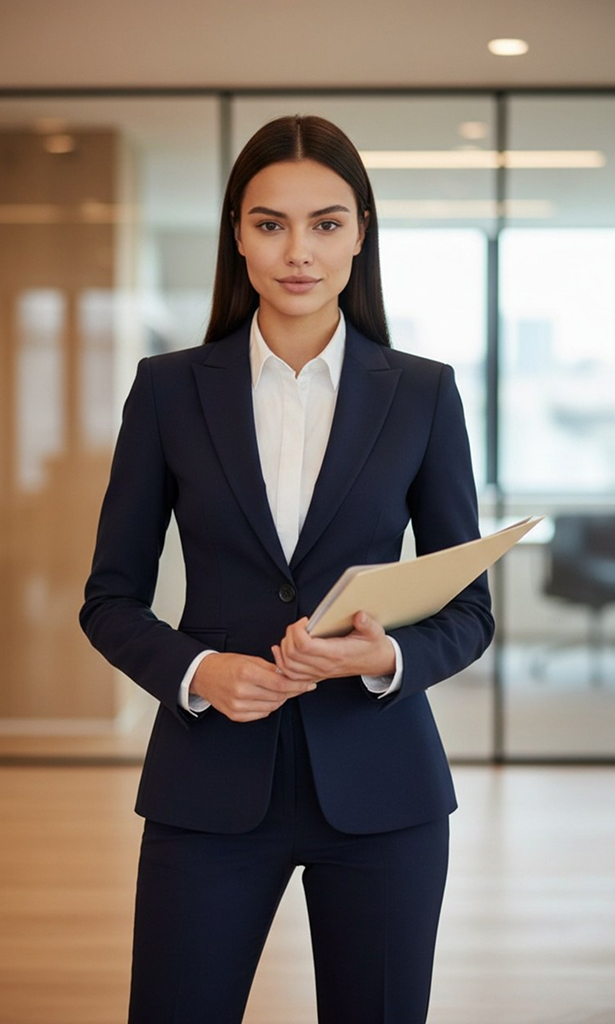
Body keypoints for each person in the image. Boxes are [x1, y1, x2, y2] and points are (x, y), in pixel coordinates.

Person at [80, 114, 494, 1024]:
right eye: (270, 224)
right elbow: (109, 598)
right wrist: (197, 672)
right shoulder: (167, 389)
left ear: (360, 233)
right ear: (237, 232)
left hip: (385, 793)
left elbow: (468, 611)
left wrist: (383, 661)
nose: (298, 251)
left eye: (326, 223)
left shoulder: (422, 394)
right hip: (207, 790)